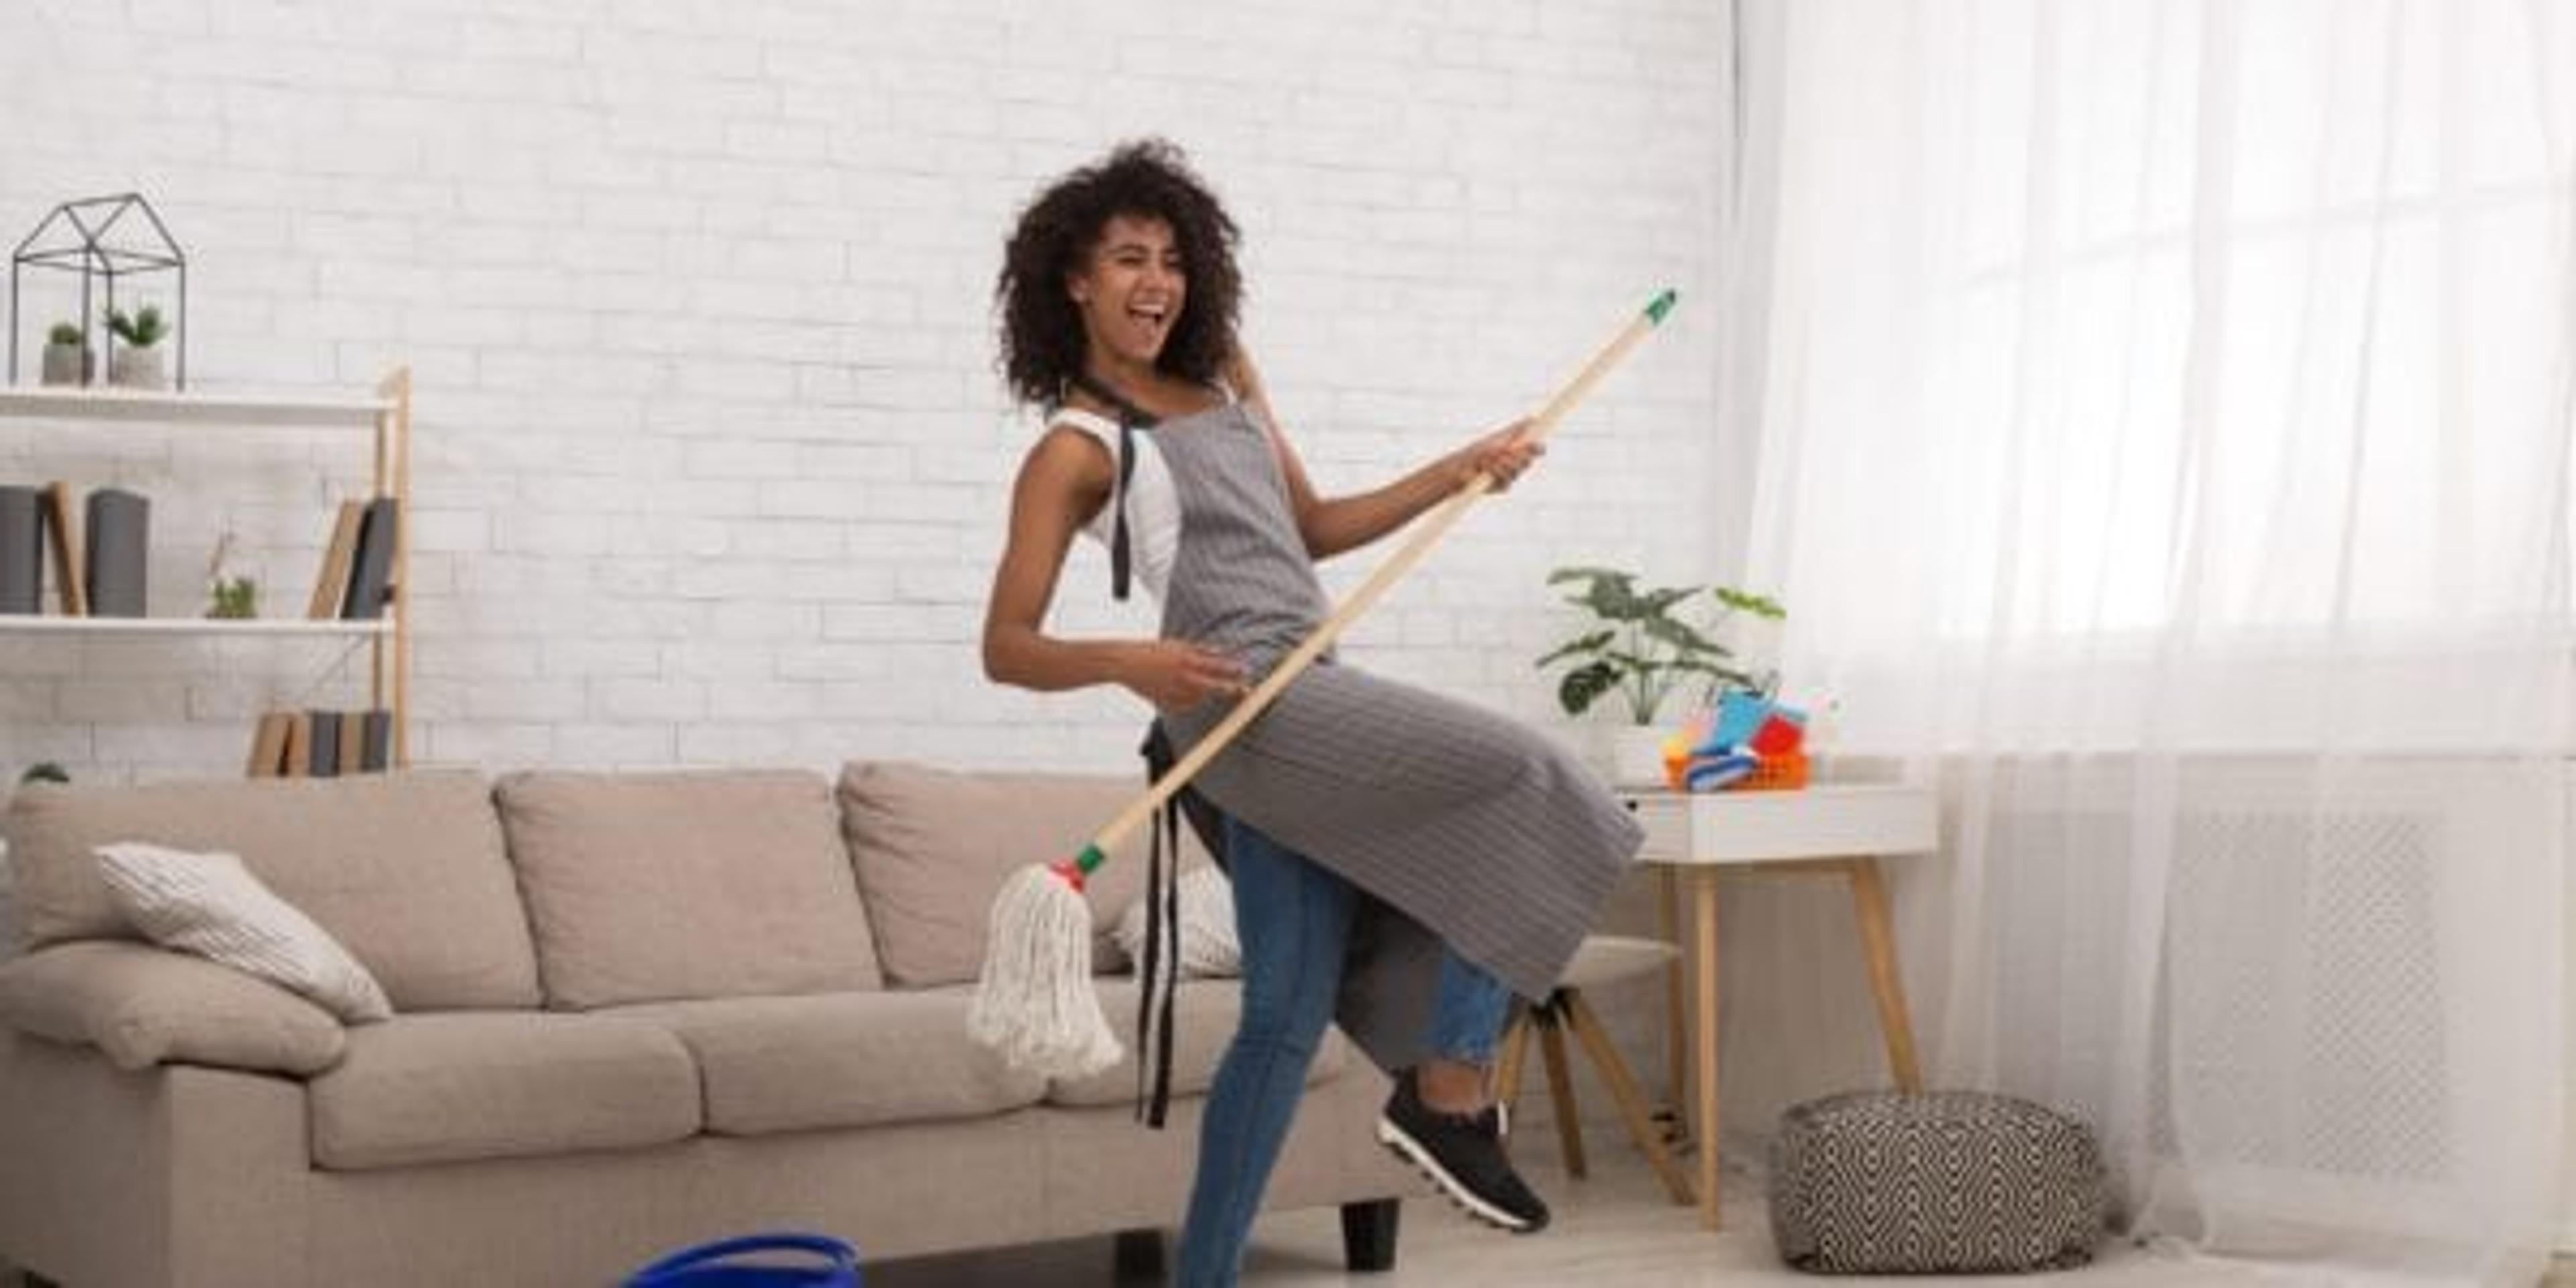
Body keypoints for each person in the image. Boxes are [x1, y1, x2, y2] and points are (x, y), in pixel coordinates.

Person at [983, 139, 1642, 1287]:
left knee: (1283, 1017)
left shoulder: (1227, 377)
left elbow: (1315, 527)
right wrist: (1135, 660)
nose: (1157, 281)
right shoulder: (1076, 450)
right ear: (1074, 282)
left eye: (1173, 258)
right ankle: (1450, 1088)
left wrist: (1459, 469)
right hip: (1240, 713)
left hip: (1313, 688)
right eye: (1128, 258)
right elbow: (1009, 647)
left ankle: (1206, 1277)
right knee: (1525, 779)